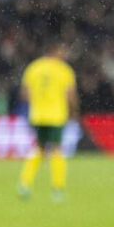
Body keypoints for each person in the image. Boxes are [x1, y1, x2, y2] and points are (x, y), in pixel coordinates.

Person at [17, 44, 78, 203]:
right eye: (63, 52)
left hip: (37, 115)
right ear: (56, 51)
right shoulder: (63, 69)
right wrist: (74, 111)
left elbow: (25, 93)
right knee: (57, 149)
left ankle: (25, 184)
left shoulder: (34, 67)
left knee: (39, 148)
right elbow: (70, 94)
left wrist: (37, 104)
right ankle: (58, 189)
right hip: (56, 115)